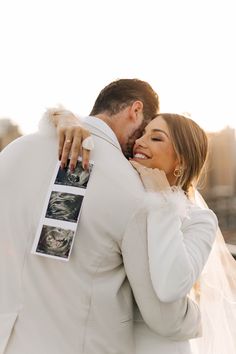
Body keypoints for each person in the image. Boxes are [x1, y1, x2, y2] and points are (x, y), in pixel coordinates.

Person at [0, 79, 201, 354]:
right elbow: (162, 315)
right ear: (135, 110)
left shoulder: (14, 152)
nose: (139, 145)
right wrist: (205, 317)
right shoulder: (132, 189)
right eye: (145, 131)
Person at [51, 109, 219, 354]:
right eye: (143, 133)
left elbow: (170, 286)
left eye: (156, 137)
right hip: (103, 342)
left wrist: (163, 202)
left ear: (181, 161)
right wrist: (64, 118)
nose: (140, 141)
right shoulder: (124, 196)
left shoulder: (200, 220)